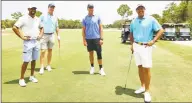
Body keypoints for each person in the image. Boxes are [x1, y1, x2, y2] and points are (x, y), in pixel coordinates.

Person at [129, 4, 164, 102]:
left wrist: (153, 40)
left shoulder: (151, 19)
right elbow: (131, 33)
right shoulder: (133, 21)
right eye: (138, 9)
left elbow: (161, 30)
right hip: (136, 45)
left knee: (146, 68)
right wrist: (132, 45)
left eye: (142, 8)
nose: (140, 10)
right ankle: (142, 86)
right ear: (136, 10)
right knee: (139, 67)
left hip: (146, 46)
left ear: (144, 9)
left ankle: (147, 91)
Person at [12, 5, 44, 87]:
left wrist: (40, 35)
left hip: (36, 41)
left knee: (34, 60)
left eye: (34, 9)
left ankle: (31, 76)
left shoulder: (37, 19)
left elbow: (42, 28)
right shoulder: (23, 18)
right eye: (32, 9)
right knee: (26, 61)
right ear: (28, 9)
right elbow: (15, 27)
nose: (33, 10)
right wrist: (22, 37)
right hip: (28, 42)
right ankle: (21, 79)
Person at [82, 4, 106, 76]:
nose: (91, 9)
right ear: (87, 9)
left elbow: (101, 28)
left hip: (97, 38)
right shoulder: (85, 18)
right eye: (90, 8)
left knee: (99, 53)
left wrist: (101, 38)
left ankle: (101, 69)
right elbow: (83, 30)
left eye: (92, 8)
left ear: (93, 9)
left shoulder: (97, 17)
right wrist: (84, 40)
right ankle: (92, 67)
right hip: (88, 39)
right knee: (91, 53)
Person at [39, 3, 60, 74]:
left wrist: (58, 35)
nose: (52, 8)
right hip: (44, 35)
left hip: (52, 35)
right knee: (43, 51)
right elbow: (38, 24)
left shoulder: (55, 17)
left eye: (53, 7)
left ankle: (48, 65)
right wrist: (39, 33)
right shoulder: (43, 15)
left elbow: (57, 26)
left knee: (50, 50)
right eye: (51, 7)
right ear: (48, 8)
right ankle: (41, 67)